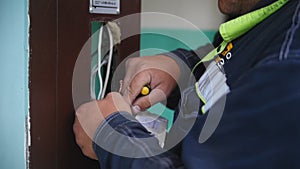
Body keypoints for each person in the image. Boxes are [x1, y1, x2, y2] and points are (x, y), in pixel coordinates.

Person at [73, 0, 300, 168]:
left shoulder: (288, 68)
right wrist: (182, 69)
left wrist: (114, 136)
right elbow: (240, 74)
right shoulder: (278, 17)